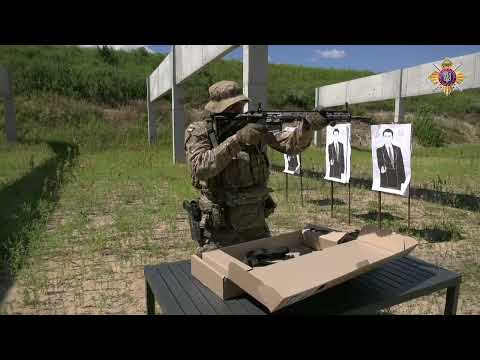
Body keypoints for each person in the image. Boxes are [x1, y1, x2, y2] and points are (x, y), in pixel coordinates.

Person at [185, 80, 327, 256]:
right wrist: (237, 139)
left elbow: (291, 146)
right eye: (231, 106)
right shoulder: (201, 131)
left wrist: (306, 127)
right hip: (220, 228)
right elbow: (200, 167)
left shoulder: (252, 126)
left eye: (239, 105)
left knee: (265, 269)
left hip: (255, 220)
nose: (237, 109)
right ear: (216, 107)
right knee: (215, 275)